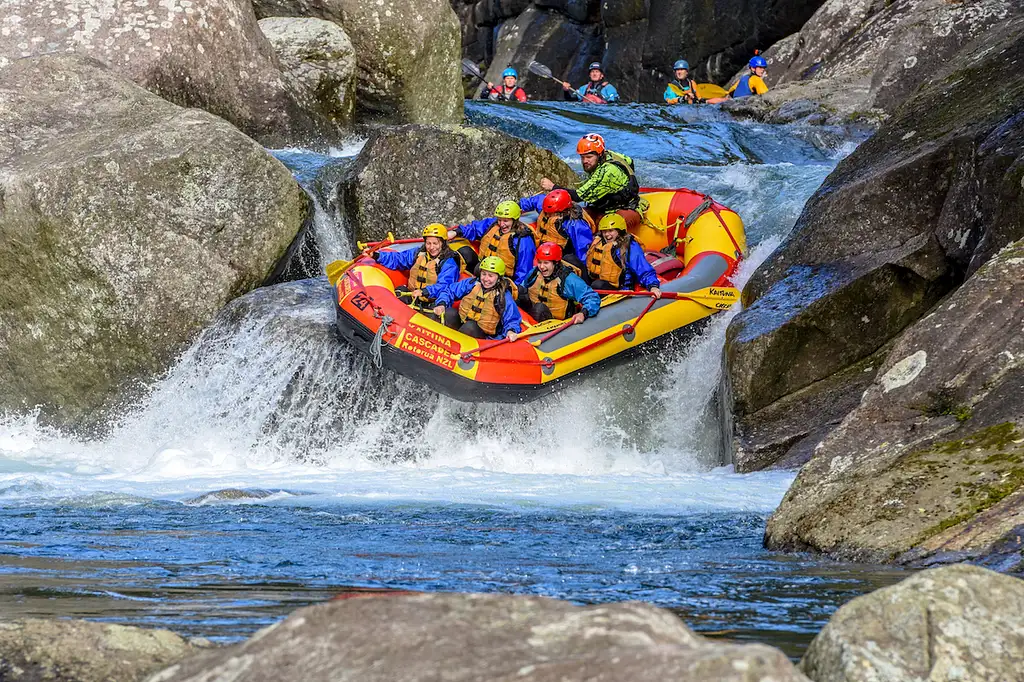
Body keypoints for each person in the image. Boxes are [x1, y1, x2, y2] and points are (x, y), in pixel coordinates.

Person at [539, 133, 644, 231]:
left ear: (599, 155)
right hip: (606, 207)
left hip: (626, 209)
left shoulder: (607, 172)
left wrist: (553, 187)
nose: (585, 161)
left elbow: (578, 196)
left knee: (611, 228)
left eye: (589, 157)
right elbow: (629, 161)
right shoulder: (610, 155)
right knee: (577, 218)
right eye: (582, 157)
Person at [370, 223, 462, 310]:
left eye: (435, 243)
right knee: (399, 291)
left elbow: (444, 286)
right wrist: (377, 256)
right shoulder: (419, 253)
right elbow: (399, 259)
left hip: (432, 301)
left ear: (443, 243)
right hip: (413, 295)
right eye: (428, 243)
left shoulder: (449, 263)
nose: (431, 247)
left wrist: (424, 291)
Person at [433, 256, 523, 341]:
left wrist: (511, 331)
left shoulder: (503, 295)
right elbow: (449, 291)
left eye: (491, 276)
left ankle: (457, 348)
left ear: (498, 277)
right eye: (483, 274)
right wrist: (442, 304)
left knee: (470, 327)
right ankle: (441, 342)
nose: (486, 279)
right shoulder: (472, 284)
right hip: (463, 323)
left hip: (482, 335)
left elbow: (512, 318)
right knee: (449, 313)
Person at [448, 200, 537, 286]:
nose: (502, 224)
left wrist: (514, 289)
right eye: (500, 220)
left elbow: (524, 271)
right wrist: (456, 232)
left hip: (503, 279)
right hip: (483, 268)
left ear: (515, 220)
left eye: (506, 221)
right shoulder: (493, 224)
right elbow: (475, 228)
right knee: (465, 251)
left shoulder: (523, 240)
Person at [519, 242, 601, 324]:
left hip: (556, 323)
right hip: (532, 317)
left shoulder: (568, 279)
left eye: (546, 263)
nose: (541, 267)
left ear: (556, 263)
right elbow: (523, 287)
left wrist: (583, 313)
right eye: (540, 262)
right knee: (520, 291)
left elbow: (592, 297)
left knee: (539, 309)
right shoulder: (534, 273)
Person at [586, 214, 661, 298]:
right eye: (604, 231)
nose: (607, 235)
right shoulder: (599, 243)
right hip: (599, 283)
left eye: (611, 231)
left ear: (619, 231)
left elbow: (642, 267)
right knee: (571, 260)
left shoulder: (629, 246)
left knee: (597, 285)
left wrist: (653, 286)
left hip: (620, 288)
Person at [517, 189, 594, 270]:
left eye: (552, 213)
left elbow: (583, 249)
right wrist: (518, 205)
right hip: (541, 247)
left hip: (559, 256)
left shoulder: (574, 224)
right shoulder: (546, 206)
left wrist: (584, 269)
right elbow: (536, 200)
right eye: (547, 213)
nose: (549, 215)